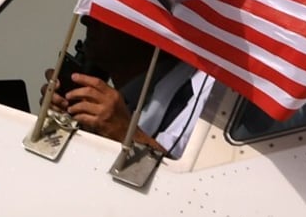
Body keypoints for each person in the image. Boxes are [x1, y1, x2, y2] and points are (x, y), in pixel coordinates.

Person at [41, 16, 207, 157]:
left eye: (108, 8)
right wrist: (65, 122)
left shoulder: (202, 101)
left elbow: (185, 185)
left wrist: (125, 133)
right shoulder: (126, 97)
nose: (85, 19)